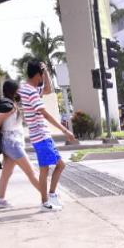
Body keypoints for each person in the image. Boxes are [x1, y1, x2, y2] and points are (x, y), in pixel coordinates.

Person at [20, 60, 78, 212]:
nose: (42, 78)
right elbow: (45, 115)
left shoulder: (29, 88)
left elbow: (48, 89)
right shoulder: (30, 92)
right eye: (41, 74)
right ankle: (45, 202)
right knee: (45, 170)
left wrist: (45, 71)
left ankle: (51, 196)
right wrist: (65, 131)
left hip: (42, 136)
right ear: (37, 75)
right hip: (41, 136)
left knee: (59, 165)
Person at [0, 79, 39, 208]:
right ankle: (48, 197)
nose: (20, 91)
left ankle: (0, 200)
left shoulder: (11, 103)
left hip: (11, 142)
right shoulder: (9, 106)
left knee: (7, 173)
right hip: (12, 143)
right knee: (31, 172)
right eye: (18, 89)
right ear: (14, 90)